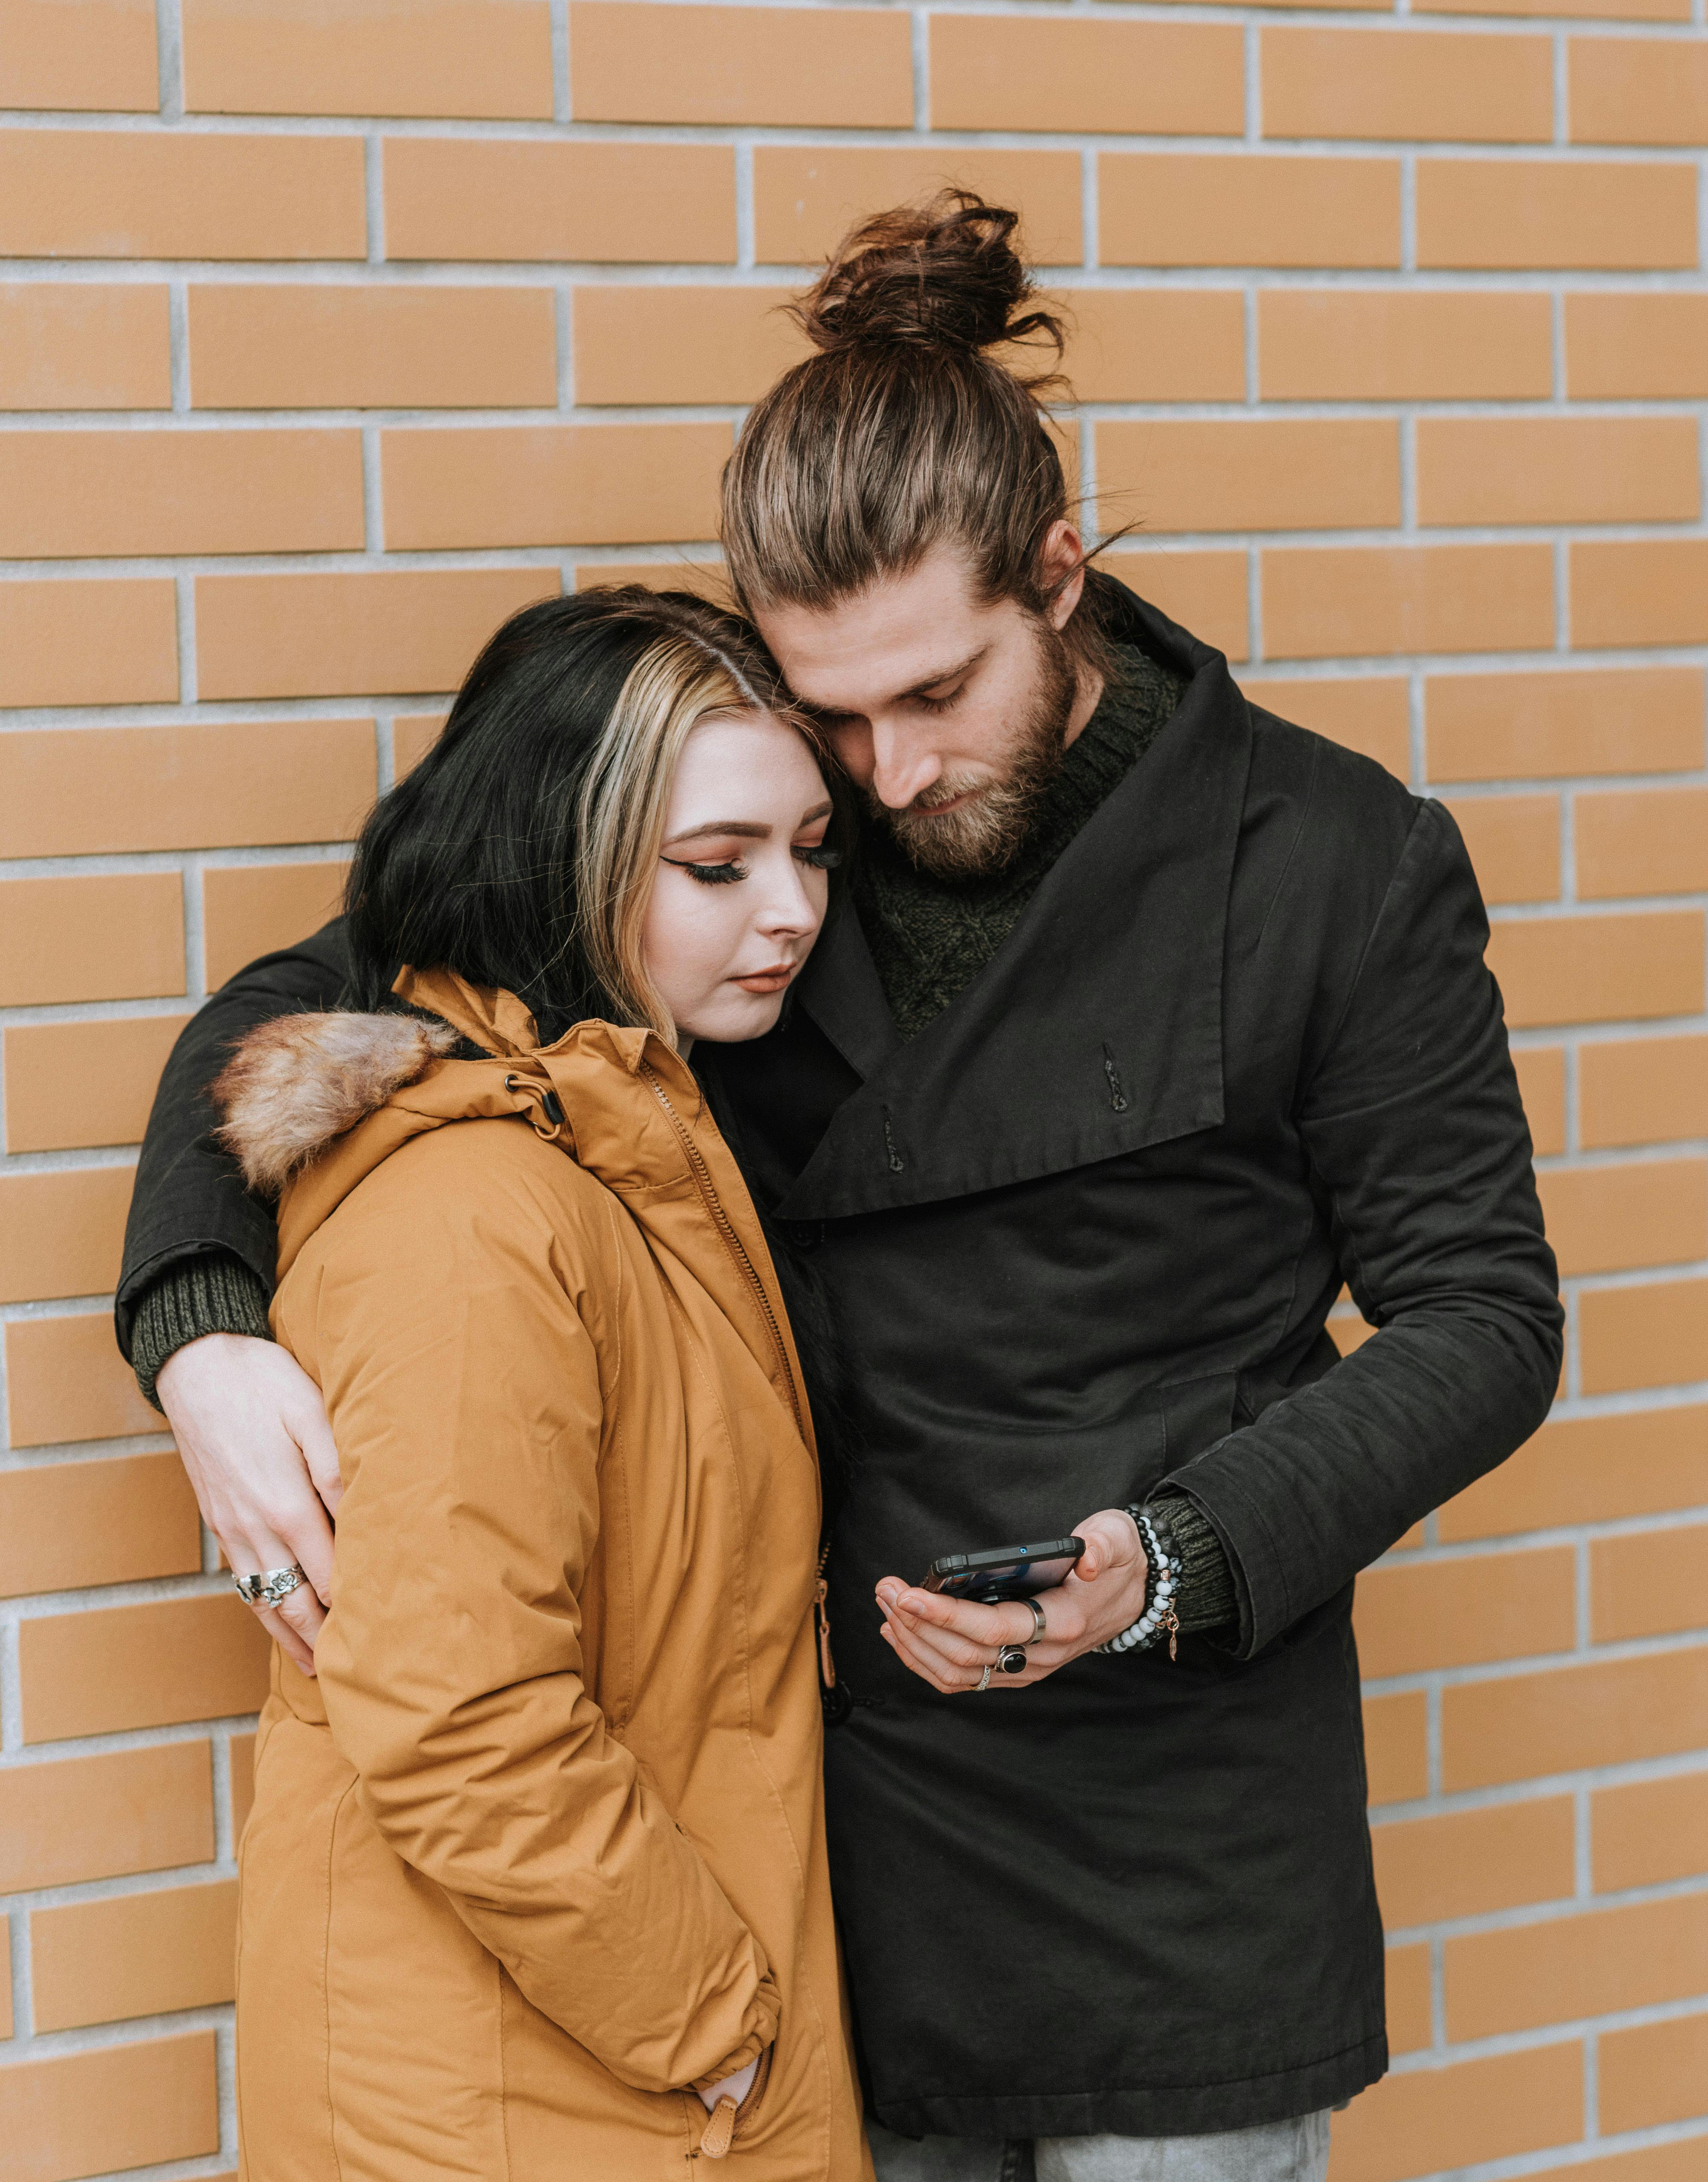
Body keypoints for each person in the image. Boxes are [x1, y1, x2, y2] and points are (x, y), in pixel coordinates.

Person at [120, 194, 1562, 2182]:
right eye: (830, 714)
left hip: (1173, 1835)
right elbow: (345, 986)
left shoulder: (1327, 858)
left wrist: (1176, 1553)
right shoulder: (761, 828)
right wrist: (196, 1321)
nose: (879, 780)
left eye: (932, 695)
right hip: (832, 1838)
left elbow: (1484, 1316)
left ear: (1057, 575)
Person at [197, 587, 871, 2179]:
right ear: (559, 857)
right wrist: (716, 2016)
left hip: (603, 2065)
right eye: (718, 866)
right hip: (532, 2092)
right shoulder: (475, 1215)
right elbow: (459, 1714)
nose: (792, 910)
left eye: (812, 847)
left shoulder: (622, 1139)